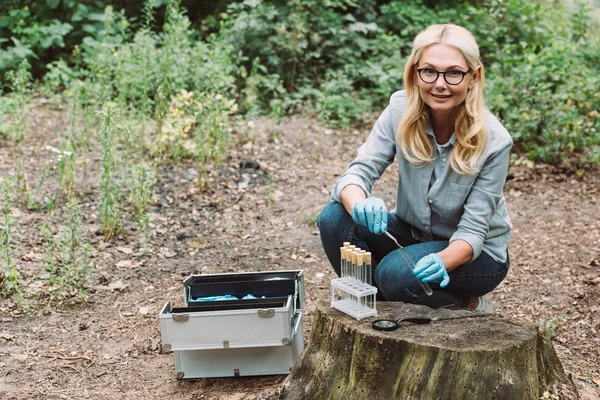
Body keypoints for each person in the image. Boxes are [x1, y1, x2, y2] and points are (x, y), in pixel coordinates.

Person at [317, 24, 512, 312]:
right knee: (334, 217)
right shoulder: (399, 109)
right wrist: (360, 202)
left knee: (394, 274)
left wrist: (444, 260)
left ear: (473, 77)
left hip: (476, 255)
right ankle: (382, 307)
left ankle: (468, 304)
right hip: (413, 233)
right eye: (429, 71)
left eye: (454, 73)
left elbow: (473, 232)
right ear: (415, 72)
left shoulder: (495, 141)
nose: (440, 84)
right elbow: (357, 173)